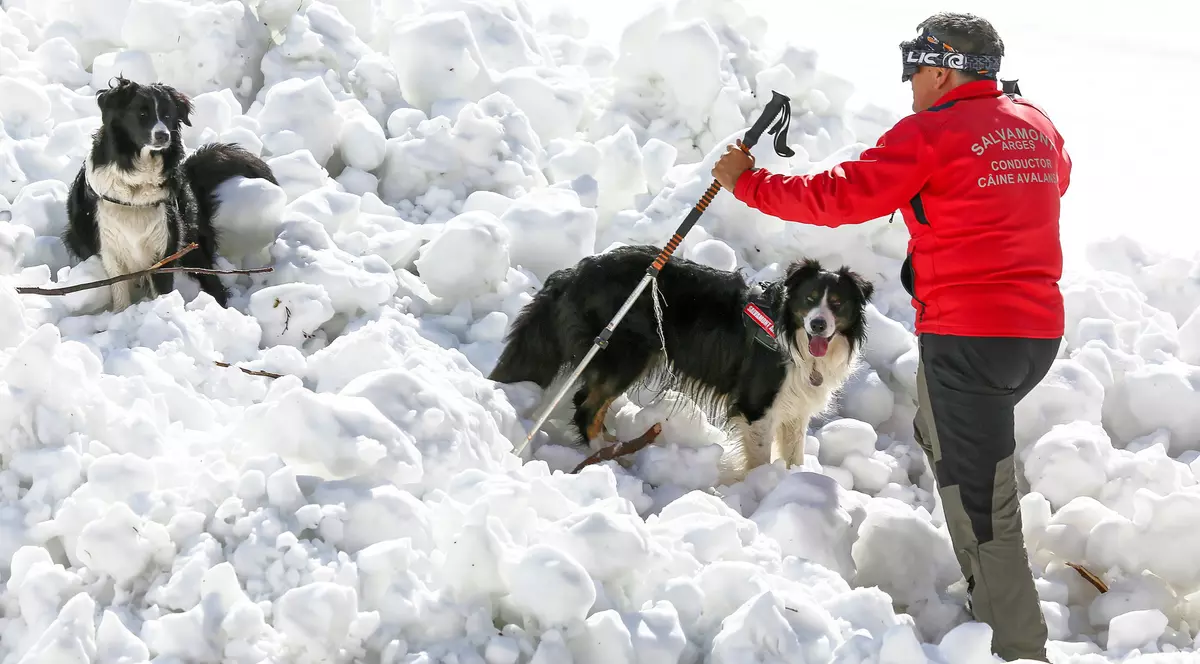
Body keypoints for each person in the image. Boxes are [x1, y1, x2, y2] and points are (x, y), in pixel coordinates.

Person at [711, 11, 1071, 663]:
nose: (910, 85)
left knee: (984, 498)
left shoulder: (930, 133)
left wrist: (747, 183)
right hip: (1035, 334)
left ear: (942, 70)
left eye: (915, 69)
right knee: (944, 440)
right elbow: (1052, 182)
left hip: (970, 338)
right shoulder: (1037, 125)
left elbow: (840, 197)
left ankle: (1016, 646)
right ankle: (991, 600)